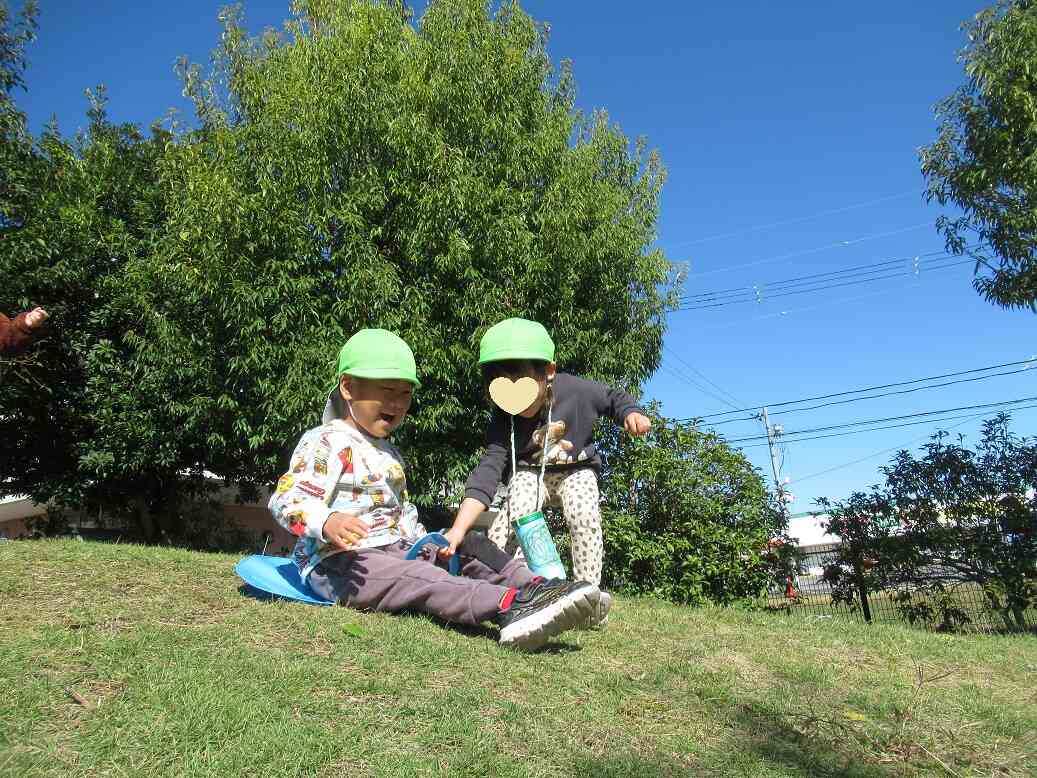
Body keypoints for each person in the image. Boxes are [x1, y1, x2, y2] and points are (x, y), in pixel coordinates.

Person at [268, 328, 602, 651]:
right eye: (387, 391)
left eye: (404, 393)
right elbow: (287, 499)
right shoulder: (325, 442)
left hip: (397, 548)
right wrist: (327, 521)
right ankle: (510, 606)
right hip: (343, 563)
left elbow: (399, 511)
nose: (397, 403)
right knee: (416, 576)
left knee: (467, 544)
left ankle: (544, 589)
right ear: (348, 387)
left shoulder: (386, 450)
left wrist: (429, 541)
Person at [441, 318, 652, 626]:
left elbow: (613, 398)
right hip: (529, 471)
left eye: (522, 385)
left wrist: (631, 413)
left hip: (575, 470)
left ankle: (587, 596)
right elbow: (488, 472)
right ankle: (502, 588)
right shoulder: (503, 416)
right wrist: (458, 530)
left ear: (549, 371)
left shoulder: (577, 391)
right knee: (514, 512)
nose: (514, 400)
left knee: (584, 515)